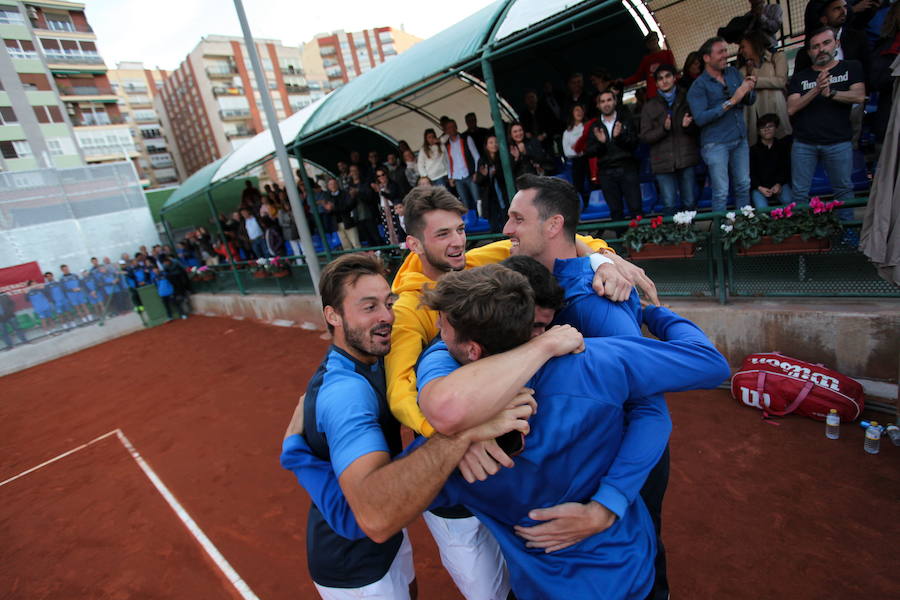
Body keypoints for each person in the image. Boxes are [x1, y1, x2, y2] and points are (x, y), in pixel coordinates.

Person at [283, 260, 730, 600]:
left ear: (472, 350)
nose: (433, 338)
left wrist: (297, 453)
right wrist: (653, 312)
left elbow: (363, 517)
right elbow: (707, 365)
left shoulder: (464, 458)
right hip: (633, 573)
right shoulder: (597, 360)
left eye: (442, 332)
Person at [280, 253, 531, 600]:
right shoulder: (346, 394)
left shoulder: (369, 357)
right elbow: (374, 514)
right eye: (369, 307)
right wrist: (463, 432)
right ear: (332, 315)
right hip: (356, 566)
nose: (387, 316)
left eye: (388, 302)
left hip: (384, 544)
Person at [787, 26, 865, 205]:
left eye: (826, 43)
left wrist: (831, 93)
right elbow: (791, 108)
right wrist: (816, 89)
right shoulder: (800, 77)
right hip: (804, 143)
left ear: (836, 44)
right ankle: (800, 232)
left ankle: (848, 232)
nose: (821, 49)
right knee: (799, 193)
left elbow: (859, 96)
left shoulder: (850, 67)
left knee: (844, 191)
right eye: (815, 46)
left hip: (838, 141)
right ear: (809, 52)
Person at [687, 36, 757, 212]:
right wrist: (732, 101)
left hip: (739, 138)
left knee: (743, 184)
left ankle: (743, 227)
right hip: (716, 144)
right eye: (721, 52)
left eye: (726, 51)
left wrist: (749, 88)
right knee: (721, 192)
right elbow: (701, 118)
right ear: (707, 58)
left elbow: (749, 100)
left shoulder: (733, 73)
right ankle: (721, 233)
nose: (726, 55)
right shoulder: (698, 86)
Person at [640, 64, 700, 214]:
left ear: (675, 78)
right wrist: (663, 129)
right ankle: (674, 238)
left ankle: (690, 237)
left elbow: (699, 128)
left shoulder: (688, 99)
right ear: (656, 83)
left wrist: (688, 126)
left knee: (690, 203)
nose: (664, 81)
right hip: (662, 163)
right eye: (660, 78)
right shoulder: (649, 106)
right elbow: (645, 136)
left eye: (667, 76)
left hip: (686, 159)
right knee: (669, 205)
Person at [585, 90, 643, 222]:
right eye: (603, 101)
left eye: (609, 100)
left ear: (615, 101)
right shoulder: (595, 126)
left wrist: (619, 137)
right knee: (616, 211)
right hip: (606, 172)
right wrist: (602, 143)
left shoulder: (625, 120)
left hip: (627, 168)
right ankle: (619, 241)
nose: (606, 104)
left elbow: (635, 143)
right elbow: (589, 151)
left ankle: (641, 241)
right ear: (598, 105)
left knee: (636, 208)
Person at [796, 0, 872, 81]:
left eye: (845, 7)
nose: (843, 11)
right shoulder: (805, 54)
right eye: (837, 9)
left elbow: (868, 73)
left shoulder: (857, 38)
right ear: (823, 19)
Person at [739, 30, 791, 144]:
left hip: (777, 114)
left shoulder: (777, 57)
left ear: (754, 43)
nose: (741, 51)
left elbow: (781, 81)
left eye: (743, 46)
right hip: (756, 120)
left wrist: (755, 81)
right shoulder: (743, 70)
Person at [750, 113, 793, 209]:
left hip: (779, 185)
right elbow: (750, 173)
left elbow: (785, 169)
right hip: (759, 187)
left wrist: (779, 184)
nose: (767, 130)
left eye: (770, 126)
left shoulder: (782, 147)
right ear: (758, 131)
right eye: (763, 127)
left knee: (789, 202)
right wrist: (759, 187)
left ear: (776, 128)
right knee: (762, 208)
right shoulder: (753, 150)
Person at [444, 118, 481, 215]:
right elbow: (448, 162)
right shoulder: (447, 144)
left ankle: (482, 219)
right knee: (464, 202)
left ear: (456, 127)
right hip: (457, 177)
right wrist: (450, 177)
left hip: (470, 174)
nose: (451, 129)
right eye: (448, 128)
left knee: (477, 199)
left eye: (453, 126)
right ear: (446, 131)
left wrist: (476, 172)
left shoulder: (466, 138)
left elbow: (476, 156)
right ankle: (471, 221)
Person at [622, 32, 676, 98]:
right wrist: (623, 82)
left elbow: (673, 71)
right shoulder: (646, 59)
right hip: (654, 95)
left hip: (669, 91)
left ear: (657, 39)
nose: (652, 43)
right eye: (649, 42)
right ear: (647, 45)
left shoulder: (667, 54)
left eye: (653, 40)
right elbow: (638, 76)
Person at [475, 135, 509, 233]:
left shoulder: (502, 157)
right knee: (493, 223)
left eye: (496, 142)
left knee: (505, 218)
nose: (494, 144)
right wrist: (485, 175)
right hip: (489, 196)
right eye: (491, 142)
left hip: (502, 193)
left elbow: (506, 176)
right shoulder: (482, 160)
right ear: (486, 145)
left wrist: (496, 172)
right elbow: (479, 181)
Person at [718, 0, 784, 49]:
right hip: (753, 52)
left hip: (769, 49)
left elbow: (775, 27)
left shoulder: (774, 8)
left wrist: (760, 16)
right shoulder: (747, 16)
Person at [561, 104, 589, 210]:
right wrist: (580, 148)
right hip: (576, 163)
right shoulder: (567, 132)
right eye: (576, 110)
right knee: (578, 185)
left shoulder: (588, 127)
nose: (579, 112)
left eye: (581, 109)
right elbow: (567, 152)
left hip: (589, 160)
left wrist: (578, 147)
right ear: (572, 113)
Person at [325, 178, 360, 250]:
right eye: (331, 184)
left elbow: (348, 207)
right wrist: (329, 209)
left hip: (348, 222)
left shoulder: (344, 193)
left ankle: (360, 260)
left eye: (334, 184)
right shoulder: (328, 196)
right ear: (328, 186)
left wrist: (333, 208)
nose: (333, 186)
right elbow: (329, 212)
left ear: (338, 185)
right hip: (337, 224)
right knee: (346, 246)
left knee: (356, 244)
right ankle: (350, 261)